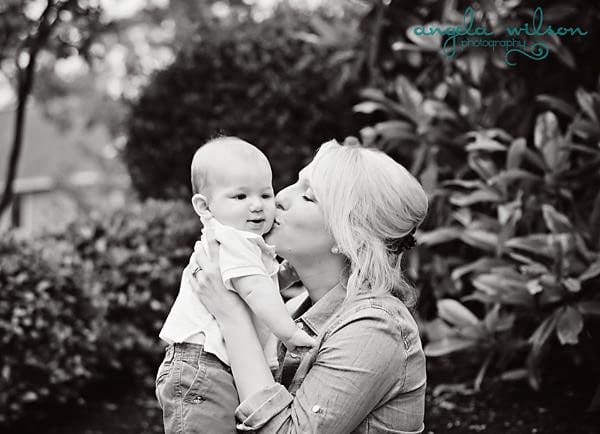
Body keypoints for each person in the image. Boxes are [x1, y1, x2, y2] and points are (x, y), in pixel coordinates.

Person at [186, 138, 429, 433]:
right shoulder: (293, 308)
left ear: (347, 236)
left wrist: (231, 316)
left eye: (309, 196)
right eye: (296, 184)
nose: (279, 198)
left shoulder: (374, 329)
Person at [155, 137, 315, 434]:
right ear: (204, 206)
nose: (257, 206)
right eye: (240, 197)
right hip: (203, 365)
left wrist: (283, 278)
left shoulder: (241, 241)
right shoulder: (232, 240)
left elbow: (248, 289)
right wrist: (289, 332)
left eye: (266, 195)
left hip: (213, 364)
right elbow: (254, 290)